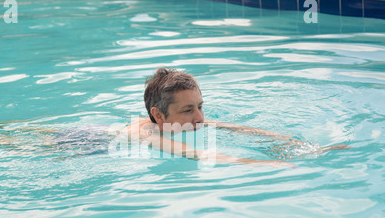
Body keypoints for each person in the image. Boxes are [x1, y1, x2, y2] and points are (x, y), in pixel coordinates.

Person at [121, 67, 350, 168]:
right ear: (158, 115)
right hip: (87, 144)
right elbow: (197, 154)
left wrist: (302, 146)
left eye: (200, 106)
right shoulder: (142, 134)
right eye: (188, 110)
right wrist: (261, 164)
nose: (200, 117)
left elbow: (237, 129)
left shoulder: (183, 123)